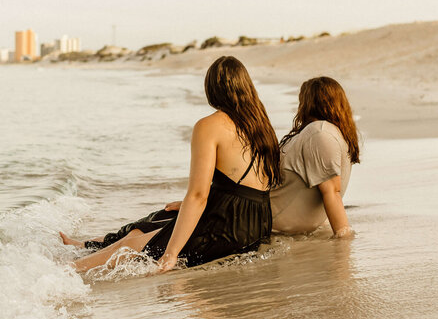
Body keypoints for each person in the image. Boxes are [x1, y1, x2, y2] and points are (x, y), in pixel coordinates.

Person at [62, 56, 280, 274]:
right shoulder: (261, 124)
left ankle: (64, 271)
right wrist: (188, 205)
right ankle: (85, 246)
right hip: (255, 226)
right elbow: (246, 184)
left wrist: (171, 254)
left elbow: (198, 196)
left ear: (211, 89)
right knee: (155, 220)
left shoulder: (209, 126)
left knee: (130, 246)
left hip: (226, 229)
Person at [269, 76, 360, 238]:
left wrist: (344, 243)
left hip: (273, 228)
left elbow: (331, 192)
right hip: (281, 228)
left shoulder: (319, 133)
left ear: (308, 104)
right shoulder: (332, 134)